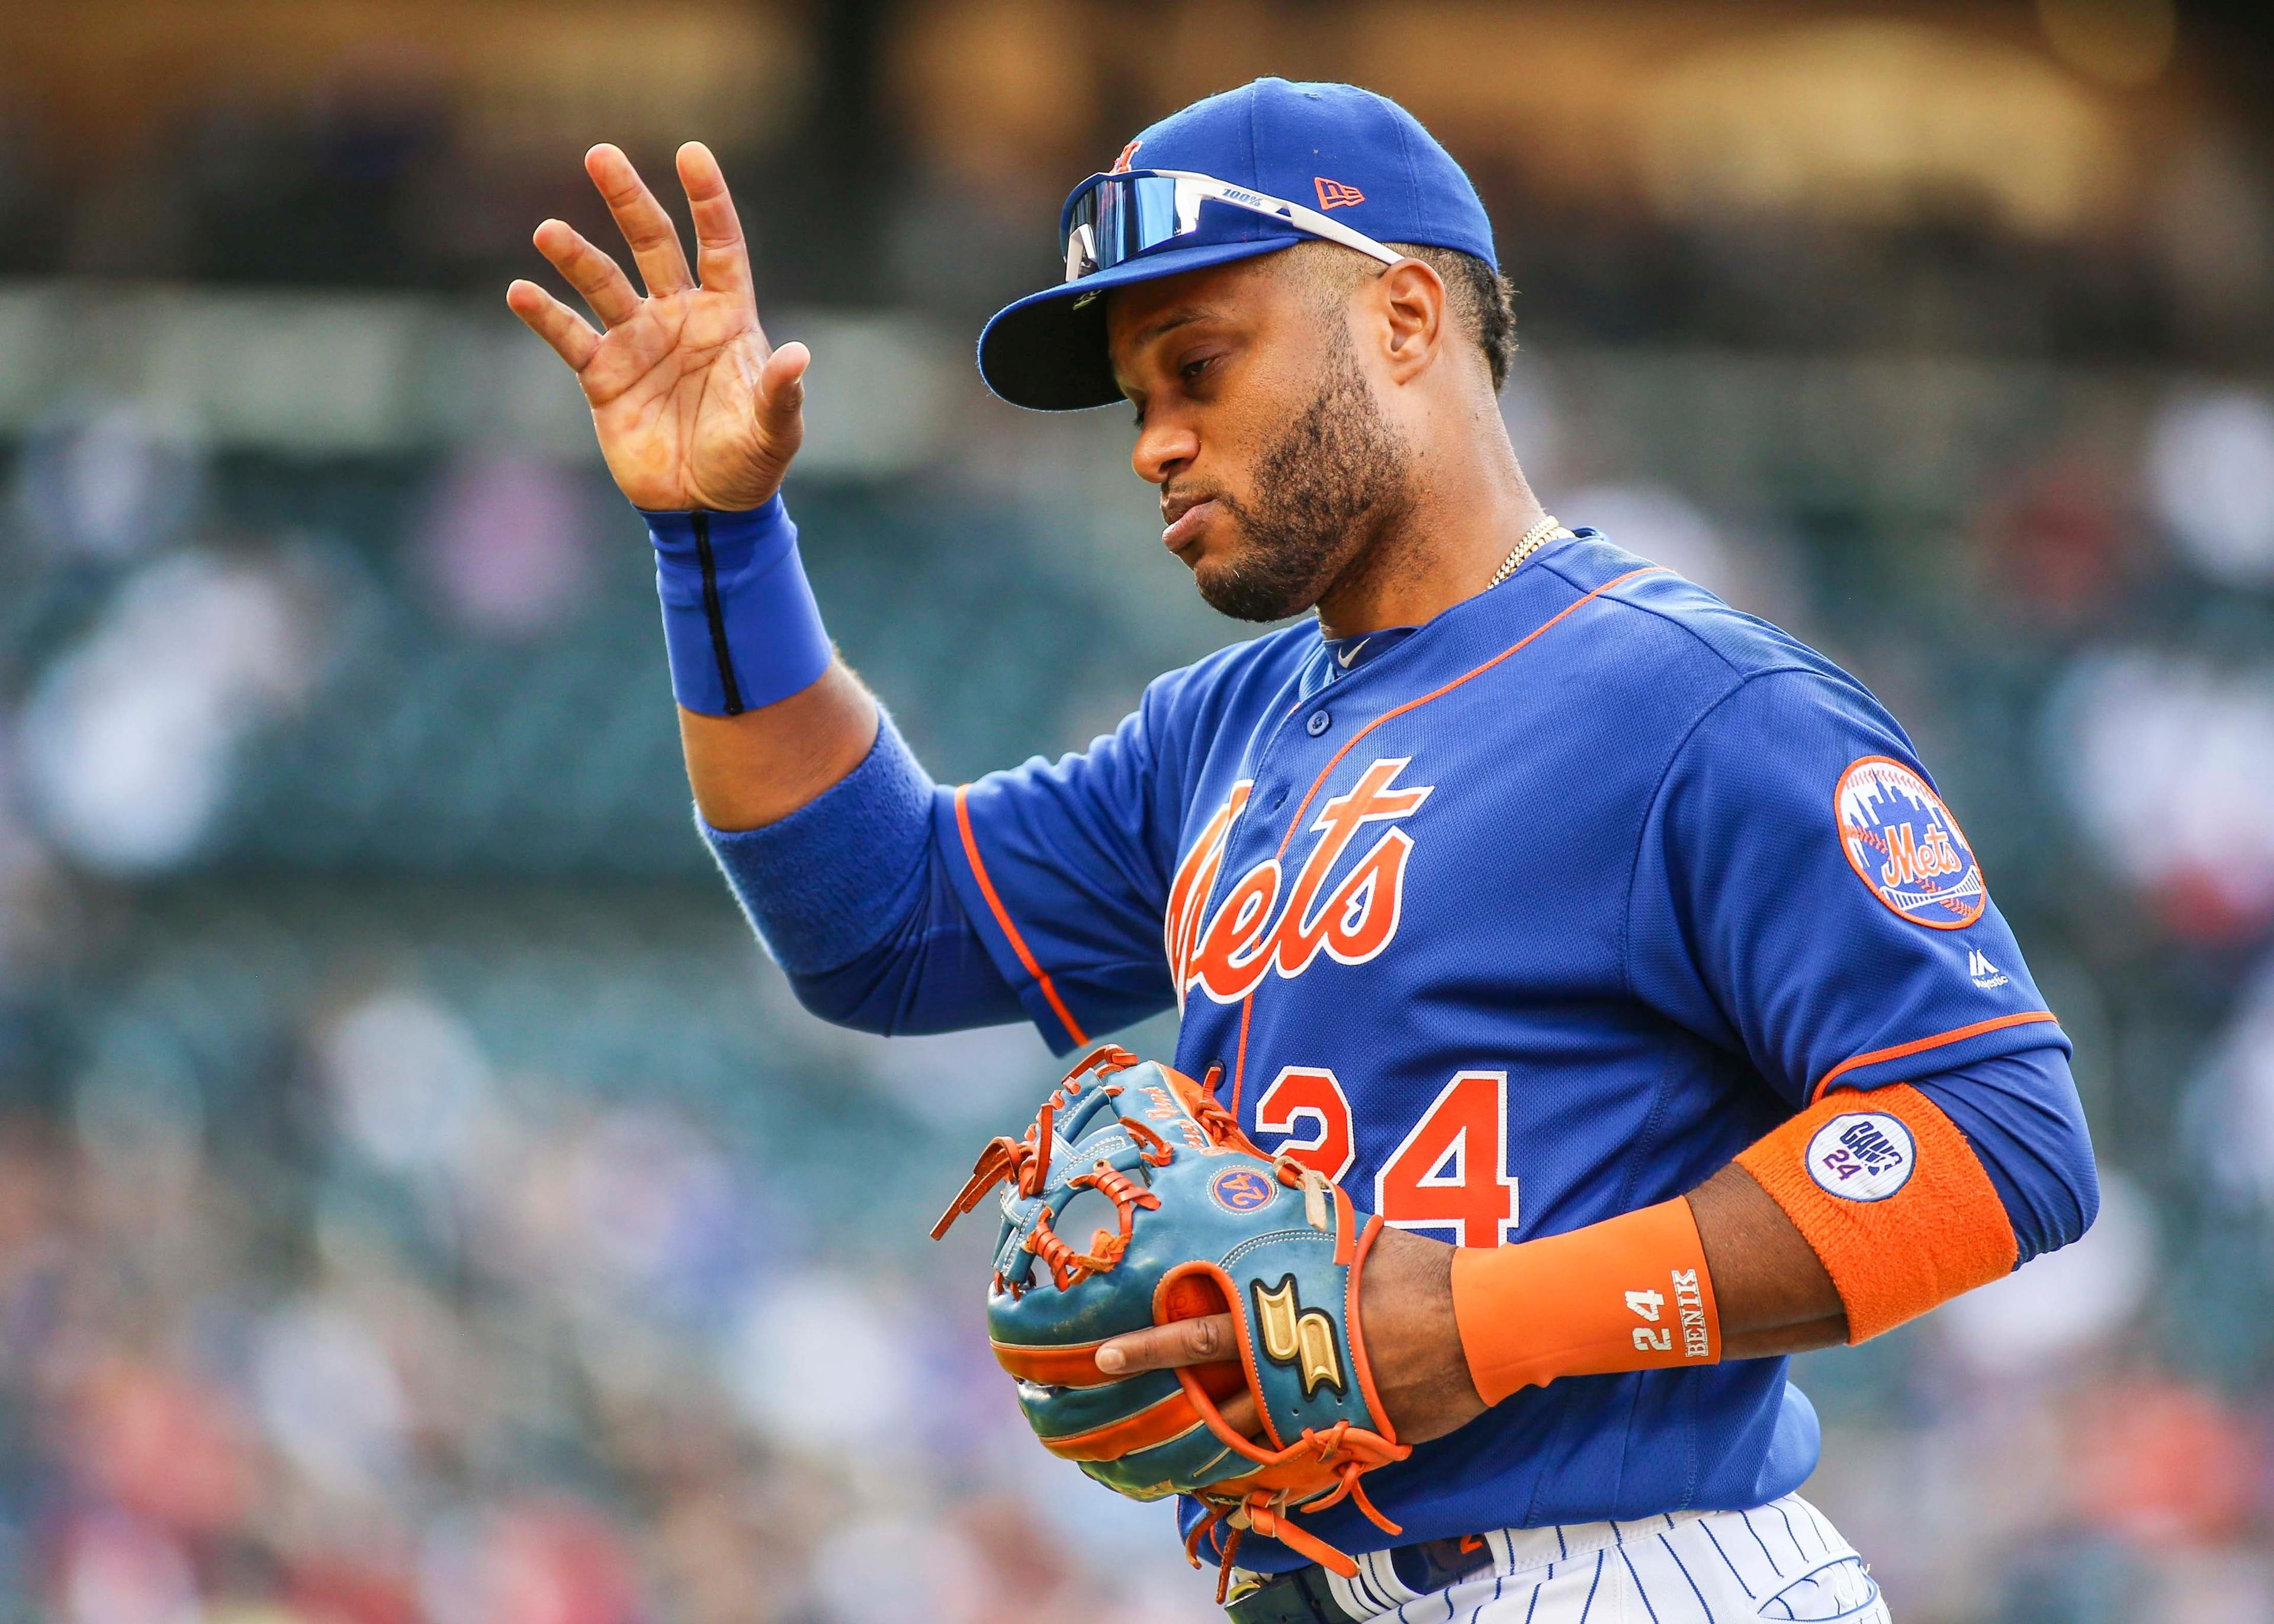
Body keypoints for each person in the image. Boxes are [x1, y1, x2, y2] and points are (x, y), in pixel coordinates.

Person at [508, 79, 2097, 1624]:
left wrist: (1480, 1323)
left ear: (1405, 322)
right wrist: (716, 537)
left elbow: (1998, 1137)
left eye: (1199, 365)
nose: (1153, 444)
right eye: (1139, 399)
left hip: (1625, 1571)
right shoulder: (1221, 729)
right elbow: (880, 923)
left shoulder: (1695, 706)